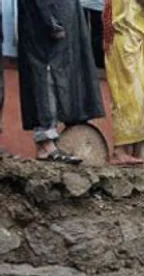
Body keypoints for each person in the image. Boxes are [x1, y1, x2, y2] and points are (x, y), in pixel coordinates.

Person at [18, 0, 103, 164]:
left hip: (63, 21)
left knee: (62, 78)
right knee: (46, 76)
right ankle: (45, 143)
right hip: (45, 23)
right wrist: (50, 21)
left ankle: (55, 141)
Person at [104, 0, 144, 166]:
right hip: (127, 36)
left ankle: (140, 152)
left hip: (142, 35)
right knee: (129, 97)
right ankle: (120, 150)